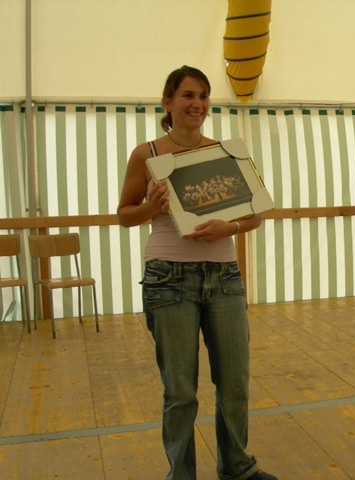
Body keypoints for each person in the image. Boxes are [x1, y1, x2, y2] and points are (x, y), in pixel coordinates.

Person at [117, 66, 277, 480]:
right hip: (167, 279)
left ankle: (237, 466)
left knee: (235, 382)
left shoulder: (226, 152)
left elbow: (256, 212)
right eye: (188, 95)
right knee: (181, 391)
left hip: (224, 277)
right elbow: (124, 215)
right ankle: (181, 475)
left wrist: (231, 227)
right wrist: (151, 207)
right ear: (167, 102)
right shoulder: (146, 154)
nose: (198, 104)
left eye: (203, 96)